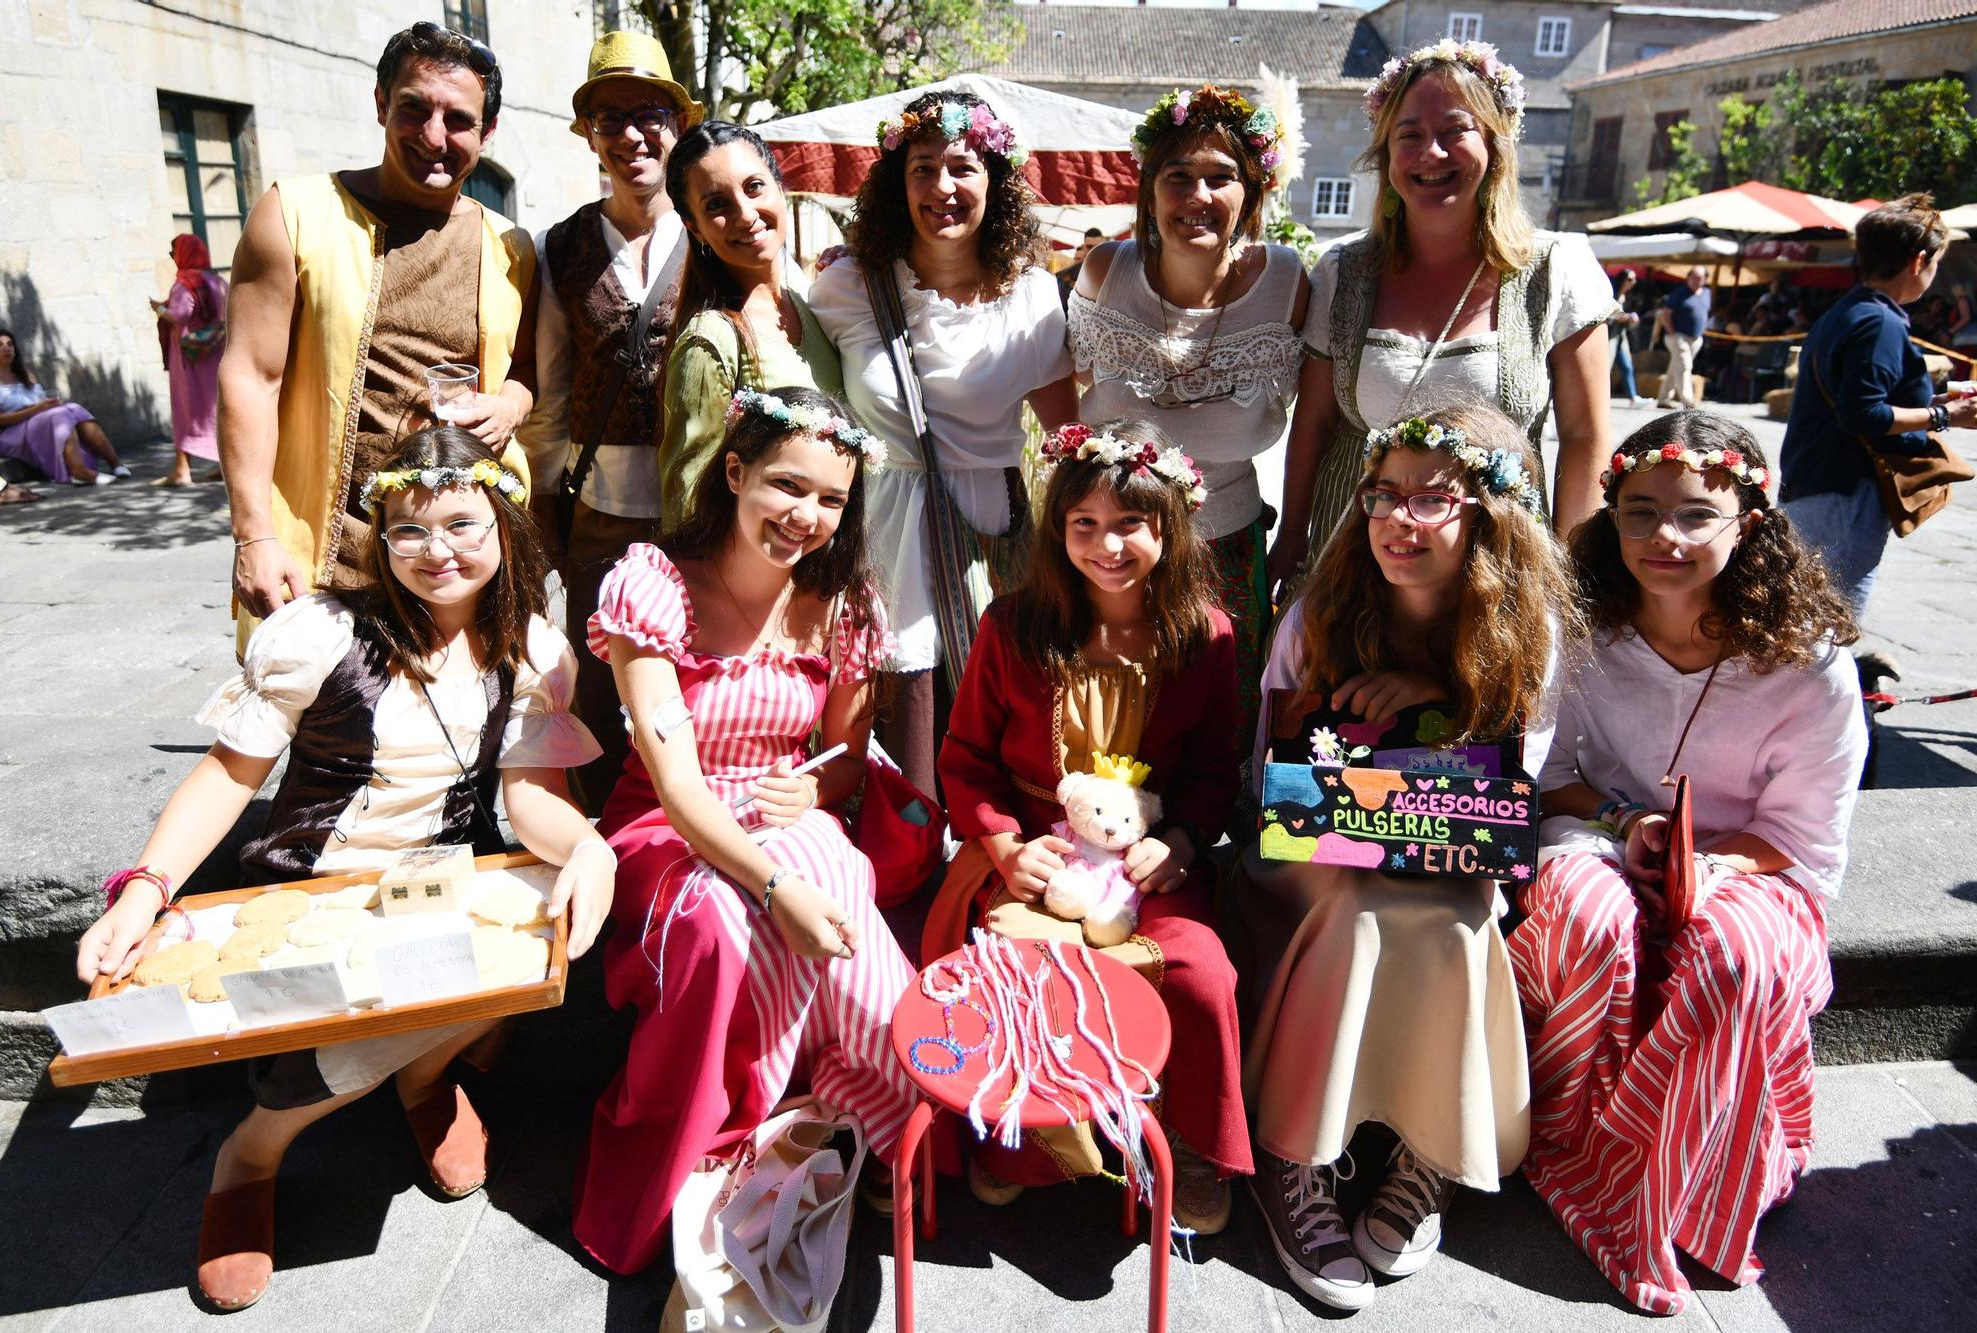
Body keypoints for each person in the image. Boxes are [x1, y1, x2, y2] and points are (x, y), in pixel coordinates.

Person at [72, 426, 610, 1312]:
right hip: (323, 879)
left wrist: (587, 846)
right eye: (409, 530)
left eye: (463, 524)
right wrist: (145, 887)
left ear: (503, 527)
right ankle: (253, 1152)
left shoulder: (531, 648)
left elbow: (533, 795)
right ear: (379, 535)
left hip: (449, 875)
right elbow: (226, 774)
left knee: (534, 935)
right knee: (324, 1022)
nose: (437, 551)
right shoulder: (320, 634)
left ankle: (425, 1076)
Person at [1511, 412, 1866, 1315]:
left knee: (1730, 953)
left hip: (1758, 869)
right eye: (1638, 511)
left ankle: (1681, 1187)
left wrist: (1710, 867)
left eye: (1693, 513)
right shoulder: (1582, 631)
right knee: (1590, 919)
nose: (1662, 537)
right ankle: (1568, 1145)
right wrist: (1632, 825)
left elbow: (1804, 835)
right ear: (1611, 516)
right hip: (1604, 834)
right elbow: (1551, 782)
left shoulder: (1808, 664)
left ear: (1748, 519)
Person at [573, 386, 918, 1276]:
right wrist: (775, 883)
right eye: (786, 485)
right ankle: (708, 1143)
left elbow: (843, 755)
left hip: (777, 816)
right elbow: (674, 779)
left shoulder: (843, 603)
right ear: (734, 472)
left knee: (829, 857)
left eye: (832, 499)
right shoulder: (654, 584)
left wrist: (814, 791)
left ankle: (871, 1089)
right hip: (666, 825)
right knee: (723, 926)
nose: (807, 516)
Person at [1238, 404, 1575, 1311]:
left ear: (1491, 515)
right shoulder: (1321, 612)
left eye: (1434, 498)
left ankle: (1431, 1149)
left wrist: (1440, 696)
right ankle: (1292, 1153)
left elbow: (1517, 777)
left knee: (1462, 921)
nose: (1399, 517)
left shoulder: (1522, 629)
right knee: (1354, 912)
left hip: (1446, 855)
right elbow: (1278, 768)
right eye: (1385, 494)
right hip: (1314, 855)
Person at [927, 419, 1250, 1233]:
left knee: (1203, 974)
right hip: (1033, 855)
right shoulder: (1012, 627)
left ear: (1169, 527)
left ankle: (1191, 1140)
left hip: (1146, 864)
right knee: (1019, 965)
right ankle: (1022, 1146)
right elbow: (964, 757)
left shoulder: (1205, 637)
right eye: (1085, 525)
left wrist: (1178, 845)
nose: (1108, 545)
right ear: (1058, 529)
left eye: (1130, 524)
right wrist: (1003, 844)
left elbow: (1216, 770)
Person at [219, 21, 537, 656]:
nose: (433, 137)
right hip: (325, 553)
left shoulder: (510, 246)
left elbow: (526, 372)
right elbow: (251, 376)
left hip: (457, 556)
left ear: (487, 132)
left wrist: (510, 406)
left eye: (459, 120)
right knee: (324, 742)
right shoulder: (295, 215)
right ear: (381, 104)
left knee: (459, 741)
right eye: (414, 108)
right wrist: (254, 537)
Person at [810, 89, 1076, 801]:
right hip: (881, 530)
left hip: (986, 537)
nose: (942, 188)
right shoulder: (847, 285)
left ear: (995, 179)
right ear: (898, 185)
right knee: (896, 722)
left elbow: (1068, 438)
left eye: (962, 166)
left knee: (991, 718)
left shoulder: (1034, 300)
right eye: (922, 168)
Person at [1271, 40, 1613, 582]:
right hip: (1354, 563)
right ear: (1386, 158)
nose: (1431, 153)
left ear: (1495, 147)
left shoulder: (1556, 268)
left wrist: (1575, 568)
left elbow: (1584, 436)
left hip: (1496, 567)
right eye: (1409, 136)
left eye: (1455, 131)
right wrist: (1291, 539)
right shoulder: (1343, 272)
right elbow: (1313, 423)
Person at [1069, 85, 1310, 752]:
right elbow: (1061, 403)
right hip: (1109, 554)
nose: (1197, 196)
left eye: (1221, 177)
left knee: (1219, 731)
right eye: (1178, 177)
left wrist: (1292, 532)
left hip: (1227, 546)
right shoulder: (1103, 272)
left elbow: (1315, 414)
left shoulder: (1287, 283)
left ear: (1253, 192)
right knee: (1115, 724)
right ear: (1149, 191)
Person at [514, 31, 700, 814]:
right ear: (589, 134)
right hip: (598, 509)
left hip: (699, 505)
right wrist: (547, 503)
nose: (631, 135)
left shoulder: (716, 226)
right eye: (608, 117)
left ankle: (690, 829)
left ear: (678, 125)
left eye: (649, 112)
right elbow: (551, 386)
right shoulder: (562, 245)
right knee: (596, 689)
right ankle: (601, 834)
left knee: (693, 682)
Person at [1781, 194, 1976, 615]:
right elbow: (1861, 414)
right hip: (1844, 492)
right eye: (1937, 263)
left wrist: (1932, 401)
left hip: (1819, 481)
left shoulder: (1849, 311)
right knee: (1827, 621)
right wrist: (1945, 415)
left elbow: (1859, 399)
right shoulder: (1879, 322)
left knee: (1805, 616)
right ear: (1918, 260)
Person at [657, 121, 842, 532]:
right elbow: (688, 510)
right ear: (694, 227)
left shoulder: (811, 303)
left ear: (780, 187)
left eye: (755, 187)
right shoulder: (711, 340)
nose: (744, 214)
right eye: (716, 205)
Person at [0, 327, 130, 484]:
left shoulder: (23, 373)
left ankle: (115, 464)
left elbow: (39, 402)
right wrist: (36, 409)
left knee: (73, 408)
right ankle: (80, 472)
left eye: (10, 344)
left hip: (35, 421)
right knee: (59, 415)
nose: (6, 348)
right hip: (5, 435)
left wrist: (47, 405)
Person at [152, 234, 228, 486]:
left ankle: (181, 469)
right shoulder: (216, 280)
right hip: (215, 353)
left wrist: (160, 308)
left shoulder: (184, 283)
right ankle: (225, 465)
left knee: (186, 408)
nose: (173, 258)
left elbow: (181, 314)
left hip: (190, 358)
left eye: (174, 252)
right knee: (215, 408)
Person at [1654, 268, 1710, 410]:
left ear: (1704, 279)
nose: (1697, 281)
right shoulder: (1679, 293)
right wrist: (1672, 333)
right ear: (1688, 277)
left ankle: (1664, 398)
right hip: (1678, 336)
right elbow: (1665, 314)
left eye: (1700, 278)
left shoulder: (1707, 293)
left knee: (1676, 367)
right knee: (1685, 366)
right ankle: (1688, 401)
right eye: (1694, 277)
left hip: (1696, 338)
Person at [1608, 268, 1642, 406]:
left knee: (1627, 366)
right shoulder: (1612, 294)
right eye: (1630, 279)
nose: (1633, 282)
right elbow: (1607, 315)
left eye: (1635, 279)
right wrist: (1625, 317)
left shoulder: (1628, 297)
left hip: (1620, 338)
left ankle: (1633, 397)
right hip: (1608, 337)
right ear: (1622, 279)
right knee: (1606, 368)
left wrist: (1631, 320)